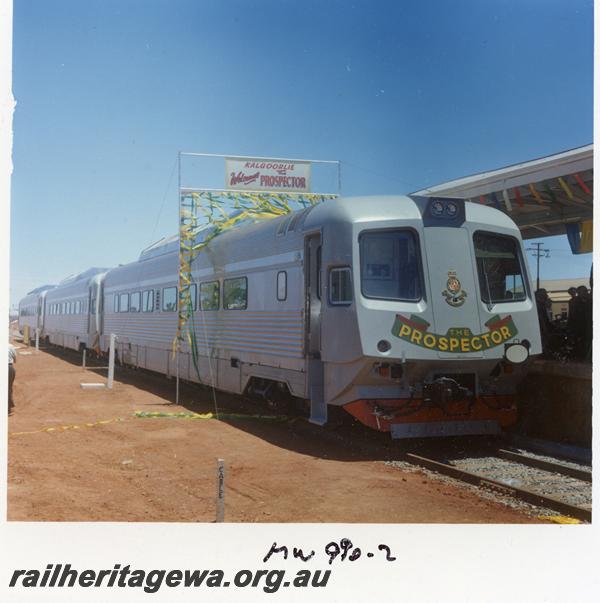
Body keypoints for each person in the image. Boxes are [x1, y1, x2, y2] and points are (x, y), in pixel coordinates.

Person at [8, 343, 16, 414]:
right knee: (9, 388)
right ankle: (8, 408)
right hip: (9, 367)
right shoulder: (11, 346)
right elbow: (15, 359)